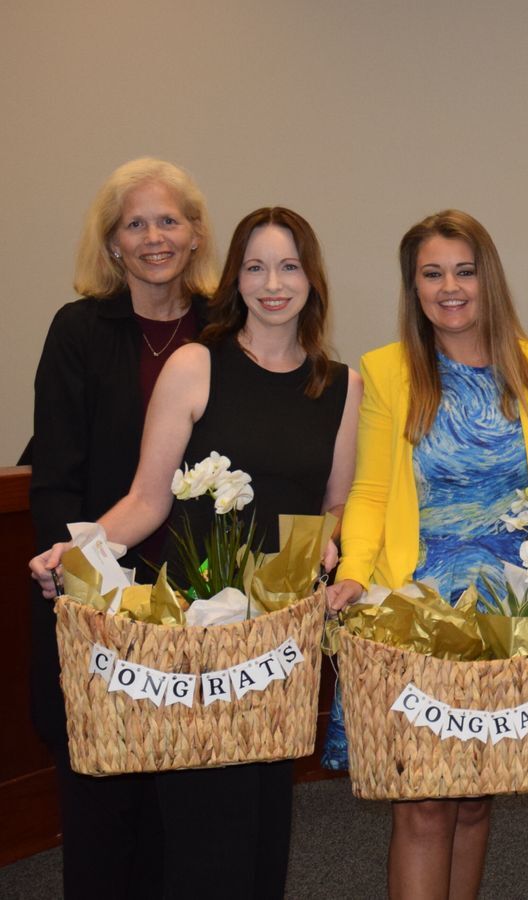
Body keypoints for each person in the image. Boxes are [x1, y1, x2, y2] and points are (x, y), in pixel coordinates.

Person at [30, 206, 361, 897]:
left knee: (266, 826)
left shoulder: (340, 384)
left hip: (277, 641)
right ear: (234, 280)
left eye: (290, 266)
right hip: (196, 637)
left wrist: (331, 552)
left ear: (312, 279)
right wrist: (76, 553)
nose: (274, 284)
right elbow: (147, 500)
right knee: (201, 830)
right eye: (256, 267)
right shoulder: (196, 363)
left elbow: (335, 503)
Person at [324, 209, 528, 900]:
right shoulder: (387, 371)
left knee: (476, 795)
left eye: (464, 270)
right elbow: (373, 490)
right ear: (413, 287)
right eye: (431, 273)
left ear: (487, 278)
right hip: (419, 606)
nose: (450, 287)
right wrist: (354, 575)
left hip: (514, 605)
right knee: (423, 798)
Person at [25, 157, 217, 899]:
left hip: (202, 604)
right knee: (103, 804)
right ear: (112, 247)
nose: (153, 237)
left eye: (168, 219)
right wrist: (91, 588)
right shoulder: (77, 331)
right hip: (97, 603)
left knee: (186, 808)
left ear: (196, 234)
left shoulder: (225, 331)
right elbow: (55, 478)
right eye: (134, 224)